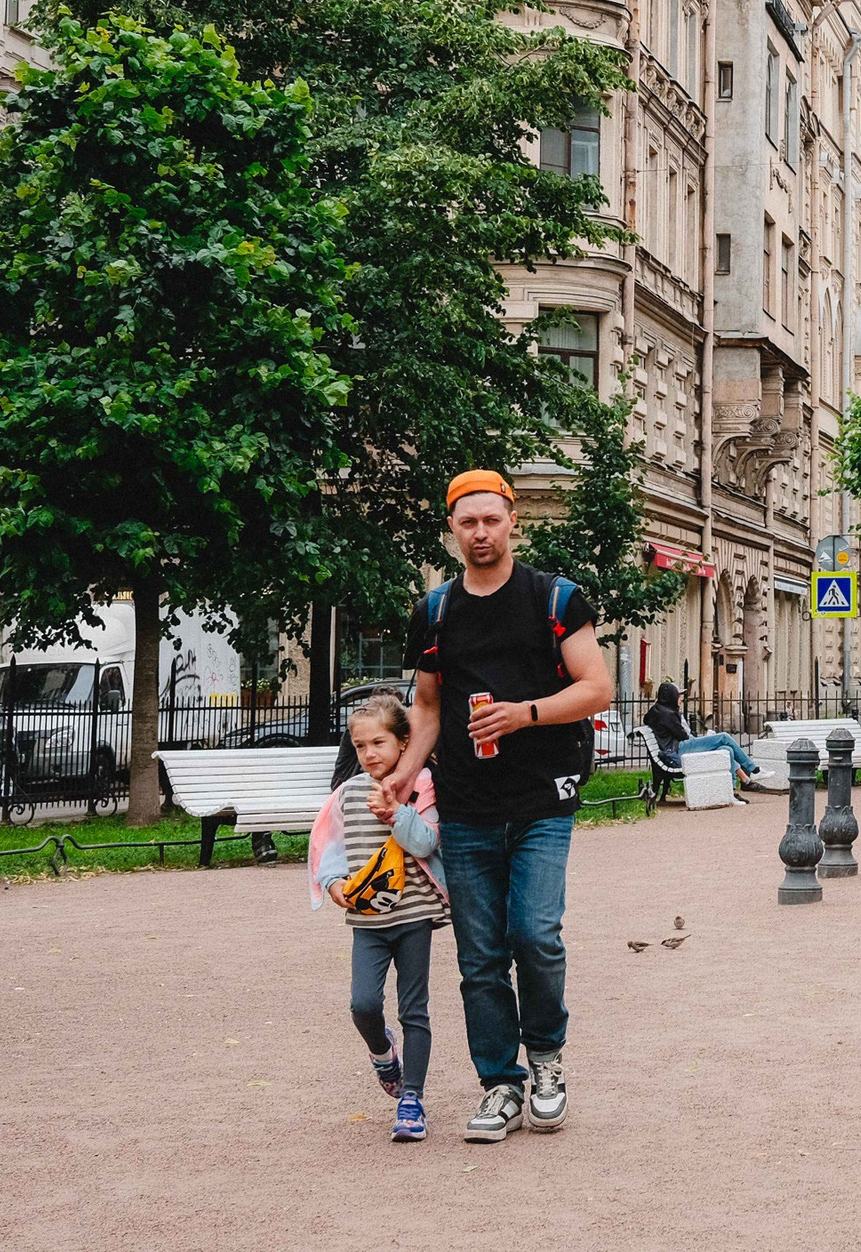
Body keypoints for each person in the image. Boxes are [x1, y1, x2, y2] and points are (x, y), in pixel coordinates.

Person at [379, 469, 611, 1145]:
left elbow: (596, 688)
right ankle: (500, 1084)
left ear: (513, 522)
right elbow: (426, 708)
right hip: (467, 804)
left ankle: (546, 1061)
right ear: (451, 530)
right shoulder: (436, 611)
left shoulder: (555, 598)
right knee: (479, 955)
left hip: (542, 796)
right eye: (467, 522)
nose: (480, 532)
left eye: (491, 519)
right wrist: (401, 776)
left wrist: (523, 714)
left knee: (534, 935)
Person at [310, 692, 446, 1144]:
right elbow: (330, 845)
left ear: (404, 743)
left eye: (379, 743)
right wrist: (333, 883)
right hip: (367, 921)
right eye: (361, 745)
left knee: (414, 1009)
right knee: (363, 1005)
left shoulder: (421, 783)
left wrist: (397, 814)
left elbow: (427, 842)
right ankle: (383, 1053)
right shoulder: (348, 793)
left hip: (414, 915)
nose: (369, 754)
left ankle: (412, 1099)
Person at [642, 680, 758, 795]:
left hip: (673, 749)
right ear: (671, 697)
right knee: (724, 737)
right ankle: (752, 768)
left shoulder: (657, 710)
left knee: (727, 750)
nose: (680, 699)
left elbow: (647, 720)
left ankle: (730, 791)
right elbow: (683, 736)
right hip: (677, 749)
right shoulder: (668, 714)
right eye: (677, 696)